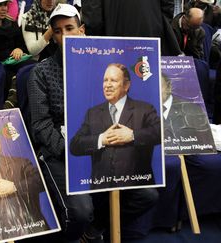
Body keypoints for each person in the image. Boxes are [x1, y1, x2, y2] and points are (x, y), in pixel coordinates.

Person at [28, 4, 158, 242]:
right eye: (58, 31)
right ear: (52, 36)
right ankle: (76, 235)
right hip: (61, 152)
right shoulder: (41, 72)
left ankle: (95, 229)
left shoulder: (102, 68)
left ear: (82, 30)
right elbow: (41, 126)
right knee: (80, 211)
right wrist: (72, 153)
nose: (65, 35)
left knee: (147, 194)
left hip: (100, 148)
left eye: (70, 28)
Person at [69, 63, 161, 189]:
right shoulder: (93, 113)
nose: (107, 85)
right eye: (105, 80)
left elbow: (160, 132)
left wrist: (132, 135)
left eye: (113, 80)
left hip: (137, 188)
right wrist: (101, 139)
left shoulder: (144, 109)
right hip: (102, 191)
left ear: (126, 85)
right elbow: (75, 145)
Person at [81, 0, 182, 56]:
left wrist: (98, 41)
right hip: (150, 36)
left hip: (111, 43)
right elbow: (168, 6)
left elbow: (93, 16)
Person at [161, 73, 214, 152]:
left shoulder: (194, 110)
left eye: (159, 86)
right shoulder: (143, 110)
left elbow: (207, 146)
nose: (156, 91)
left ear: (169, 87)